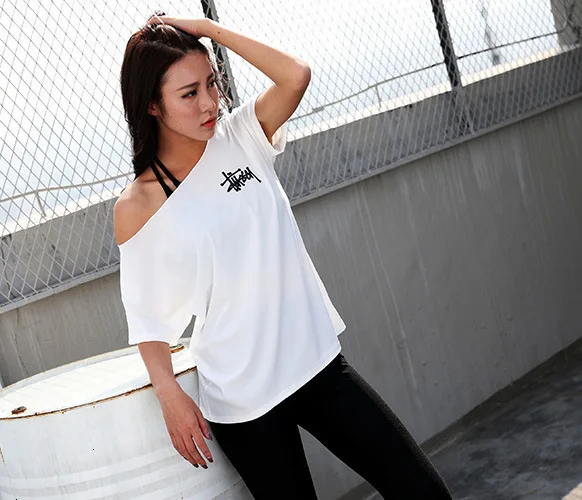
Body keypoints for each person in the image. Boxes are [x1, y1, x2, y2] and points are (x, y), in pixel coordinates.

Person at [114, 12, 452, 500]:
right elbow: (146, 316)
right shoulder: (139, 205)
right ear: (152, 105)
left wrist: (207, 30)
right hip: (242, 397)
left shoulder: (241, 136)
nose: (209, 103)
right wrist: (169, 392)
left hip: (315, 365)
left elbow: (296, 75)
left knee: (422, 491)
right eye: (189, 94)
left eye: (212, 83)